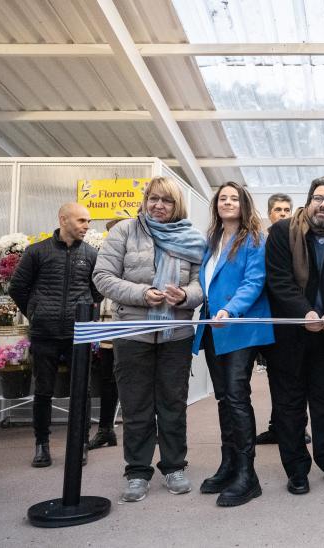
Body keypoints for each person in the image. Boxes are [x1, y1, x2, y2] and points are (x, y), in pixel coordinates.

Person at [93, 176, 205, 503]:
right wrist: (143, 294)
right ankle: (138, 471)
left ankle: (174, 466)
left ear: (177, 206)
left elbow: (202, 286)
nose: (158, 206)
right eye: (153, 199)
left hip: (176, 334)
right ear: (145, 200)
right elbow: (103, 277)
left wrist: (184, 294)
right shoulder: (124, 231)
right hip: (132, 332)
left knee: (172, 403)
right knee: (136, 404)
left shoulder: (192, 238)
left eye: (166, 201)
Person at [263, 177, 324, 495]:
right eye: (318, 198)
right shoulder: (281, 232)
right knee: (289, 405)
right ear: (309, 201)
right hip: (288, 336)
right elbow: (279, 281)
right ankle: (297, 470)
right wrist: (305, 313)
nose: (323, 204)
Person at [192, 182, 274, 507]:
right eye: (222, 198)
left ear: (244, 204)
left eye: (233, 198)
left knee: (237, 395)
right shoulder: (211, 241)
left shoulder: (255, 239)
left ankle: (247, 474)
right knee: (224, 398)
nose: (227, 202)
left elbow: (255, 281)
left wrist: (231, 308)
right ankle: (228, 465)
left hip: (239, 325)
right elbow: (205, 282)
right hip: (213, 325)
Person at [9, 202, 101, 468]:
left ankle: (80, 443)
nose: (87, 226)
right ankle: (42, 445)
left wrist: (87, 313)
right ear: (63, 219)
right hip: (45, 333)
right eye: (82, 220)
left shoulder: (91, 254)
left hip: (78, 332)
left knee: (80, 391)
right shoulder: (37, 252)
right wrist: (35, 313)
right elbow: (18, 287)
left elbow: (98, 290)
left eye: (88, 221)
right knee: (44, 391)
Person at [254, 193, 312, 446]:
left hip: (296, 319)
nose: (283, 213)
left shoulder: (298, 239)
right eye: (277, 209)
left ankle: (295, 427)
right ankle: (278, 426)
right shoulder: (263, 240)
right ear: (269, 213)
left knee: (299, 379)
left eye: (287, 209)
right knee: (277, 380)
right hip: (270, 318)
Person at [88, 219, 122, 451]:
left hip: (133, 325)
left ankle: (154, 429)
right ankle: (105, 429)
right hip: (108, 325)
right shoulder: (102, 255)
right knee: (107, 379)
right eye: (112, 231)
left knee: (141, 380)